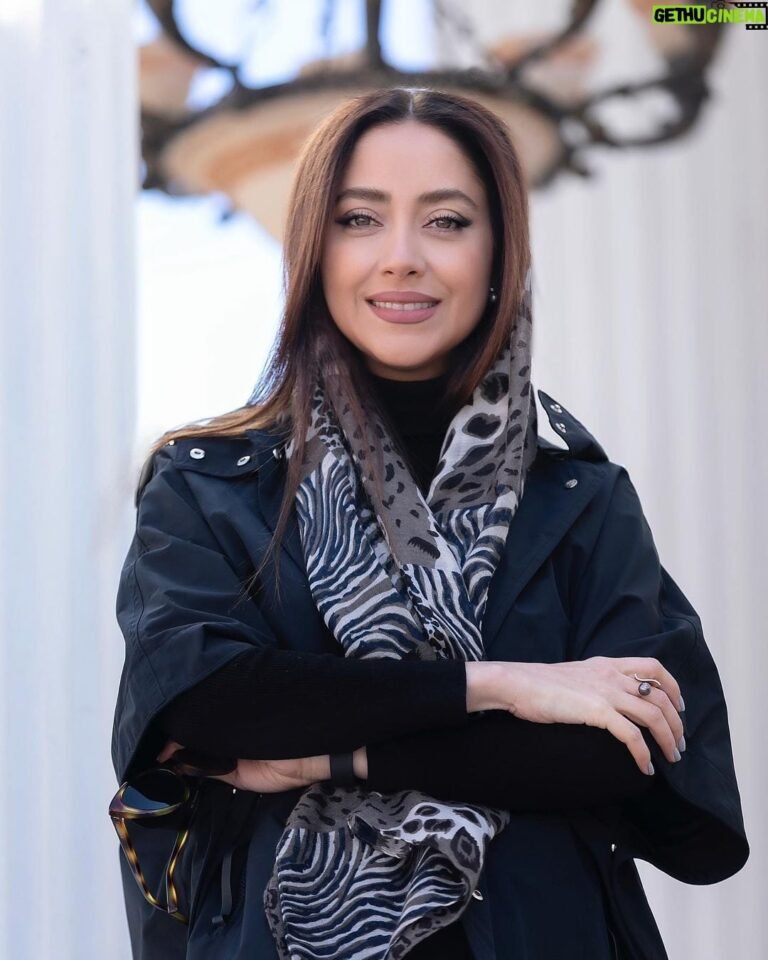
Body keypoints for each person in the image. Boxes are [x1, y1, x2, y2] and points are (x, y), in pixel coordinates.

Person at [110, 87, 748, 960]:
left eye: (445, 222)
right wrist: (504, 686)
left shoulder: (579, 498)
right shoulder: (207, 486)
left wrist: (328, 757)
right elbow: (208, 706)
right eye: (360, 220)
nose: (401, 257)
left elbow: (618, 754)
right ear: (313, 248)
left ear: (498, 254)